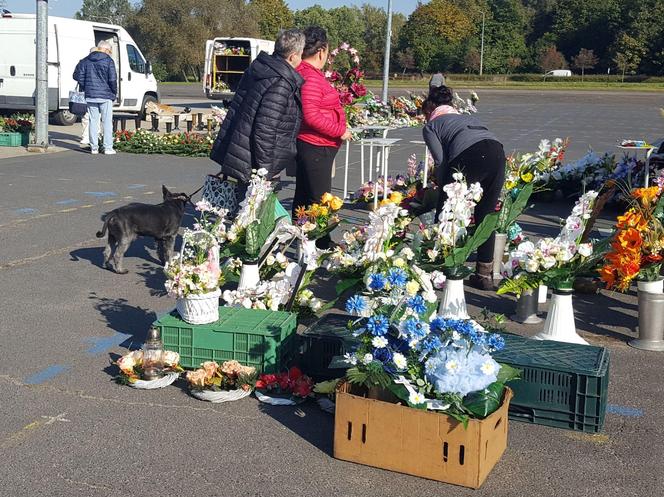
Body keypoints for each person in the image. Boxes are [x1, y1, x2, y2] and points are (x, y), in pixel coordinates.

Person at [422, 85, 505, 291]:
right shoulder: (467, 118)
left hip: (469, 155)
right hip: (496, 153)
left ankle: (440, 270)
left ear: (430, 110)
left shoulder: (431, 126)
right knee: (486, 216)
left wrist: (441, 187)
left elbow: (441, 161)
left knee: (446, 212)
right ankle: (484, 275)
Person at [210, 29, 306, 190]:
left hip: (242, 151)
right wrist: (265, 171)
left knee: (242, 207)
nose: (301, 59)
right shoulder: (280, 82)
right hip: (256, 162)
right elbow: (266, 130)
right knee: (253, 211)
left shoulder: (261, 69)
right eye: (301, 54)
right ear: (292, 56)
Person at [293, 26, 352, 248]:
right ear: (322, 51)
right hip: (315, 145)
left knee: (306, 198)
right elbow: (311, 116)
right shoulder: (310, 76)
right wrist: (340, 131)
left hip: (316, 145)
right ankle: (322, 245)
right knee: (319, 200)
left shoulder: (307, 74)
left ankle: (304, 243)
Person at [73, 40, 117, 155]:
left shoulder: (86, 60)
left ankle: (94, 147)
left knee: (93, 121)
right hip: (105, 95)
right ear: (106, 50)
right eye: (110, 51)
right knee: (107, 122)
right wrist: (114, 93)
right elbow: (112, 79)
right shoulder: (108, 61)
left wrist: (86, 87)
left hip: (91, 95)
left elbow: (79, 76)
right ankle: (108, 147)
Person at [79, 47, 99, 148]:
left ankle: (85, 137)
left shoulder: (83, 61)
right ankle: (96, 136)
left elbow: (76, 75)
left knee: (86, 116)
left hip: (85, 91)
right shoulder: (101, 61)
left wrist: (83, 84)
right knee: (97, 116)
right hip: (97, 92)